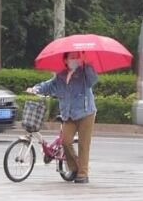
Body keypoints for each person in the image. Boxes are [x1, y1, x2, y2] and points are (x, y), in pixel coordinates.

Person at [26, 51, 98, 184]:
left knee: (83, 144)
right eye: (72, 57)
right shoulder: (61, 75)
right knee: (65, 141)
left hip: (86, 113)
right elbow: (49, 85)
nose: (75, 60)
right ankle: (74, 168)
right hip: (68, 114)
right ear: (65, 60)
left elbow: (93, 80)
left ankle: (82, 174)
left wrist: (87, 63)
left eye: (77, 57)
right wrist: (36, 89)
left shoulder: (84, 73)